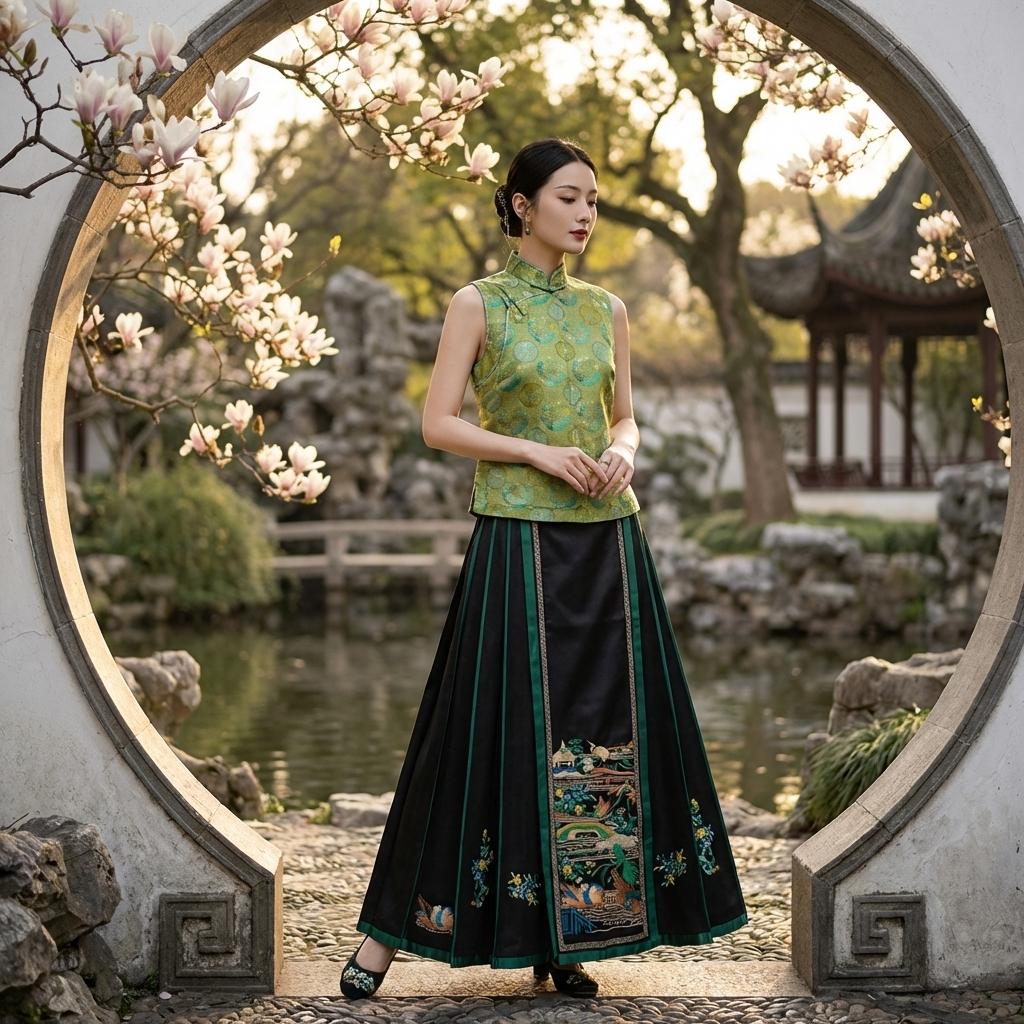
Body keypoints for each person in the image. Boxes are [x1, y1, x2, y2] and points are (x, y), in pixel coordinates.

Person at [340, 138, 747, 1000]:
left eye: (593, 199)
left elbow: (625, 418)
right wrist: (537, 453)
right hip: (517, 545)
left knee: (603, 741)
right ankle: (385, 938)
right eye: (569, 197)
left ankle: (573, 934)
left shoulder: (609, 309)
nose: (587, 213)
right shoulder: (475, 304)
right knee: (478, 733)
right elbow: (438, 424)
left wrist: (621, 454)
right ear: (523, 205)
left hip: (608, 547)